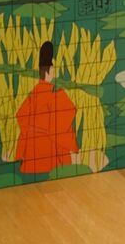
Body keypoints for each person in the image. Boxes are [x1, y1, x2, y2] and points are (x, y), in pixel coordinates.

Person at [13, 40, 78, 175]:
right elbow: (69, 111)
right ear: (50, 71)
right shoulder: (56, 93)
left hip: (33, 145)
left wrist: (33, 130)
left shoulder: (33, 94)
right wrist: (49, 128)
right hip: (50, 145)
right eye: (53, 70)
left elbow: (21, 115)